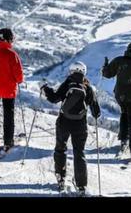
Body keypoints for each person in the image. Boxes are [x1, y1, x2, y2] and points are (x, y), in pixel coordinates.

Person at [42, 61, 101, 194]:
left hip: (64, 122)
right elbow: (96, 112)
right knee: (79, 152)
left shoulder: (68, 83)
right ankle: (81, 186)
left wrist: (46, 89)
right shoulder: (88, 87)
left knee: (60, 148)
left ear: (72, 71)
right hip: (80, 125)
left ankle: (60, 178)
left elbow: (54, 98)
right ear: (83, 72)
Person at [102, 41, 131, 160]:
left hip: (120, 96)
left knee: (124, 114)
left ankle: (124, 140)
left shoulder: (119, 60)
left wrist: (105, 66)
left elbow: (107, 74)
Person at [0, 28, 24, 154]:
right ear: (9, 39)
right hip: (8, 89)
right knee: (8, 114)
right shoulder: (12, 55)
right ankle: (8, 141)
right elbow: (19, 77)